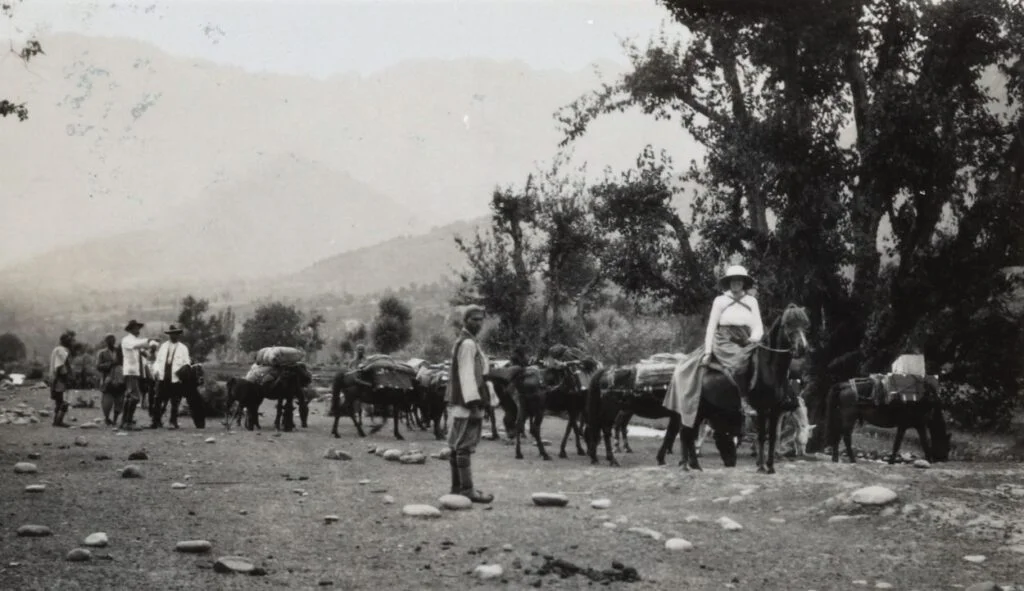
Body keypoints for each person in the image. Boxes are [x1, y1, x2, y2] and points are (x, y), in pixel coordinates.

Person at [664, 265, 764, 429]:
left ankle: (762, 401)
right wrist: (708, 351)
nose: (736, 283)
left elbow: (758, 325)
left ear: (743, 283)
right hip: (724, 339)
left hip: (747, 339)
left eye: (739, 280)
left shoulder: (752, 301)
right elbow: (711, 326)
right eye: (733, 281)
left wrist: (754, 339)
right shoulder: (720, 300)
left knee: (763, 363)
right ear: (729, 283)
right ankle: (744, 401)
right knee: (739, 363)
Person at [445, 305, 495, 504]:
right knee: (464, 446)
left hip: (462, 401)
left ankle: (457, 487)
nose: (478, 323)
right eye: (474, 319)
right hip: (468, 402)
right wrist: (474, 402)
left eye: (481, 319)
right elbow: (467, 374)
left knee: (456, 446)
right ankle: (467, 490)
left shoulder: (467, 342)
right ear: (465, 321)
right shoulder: (467, 344)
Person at [151, 324, 192, 429]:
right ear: (169, 335)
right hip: (163, 376)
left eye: (175, 334)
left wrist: (183, 372)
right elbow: (158, 361)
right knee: (158, 399)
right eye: (171, 334)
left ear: (178, 335)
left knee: (175, 401)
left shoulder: (183, 348)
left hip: (175, 378)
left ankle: (173, 422)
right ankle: (156, 421)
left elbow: (187, 363)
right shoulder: (163, 346)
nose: (173, 336)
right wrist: (155, 371)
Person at [120, 319, 151, 430]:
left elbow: (143, 350)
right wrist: (148, 340)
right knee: (135, 396)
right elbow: (136, 345)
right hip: (131, 371)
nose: (138, 330)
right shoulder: (127, 340)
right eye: (136, 328)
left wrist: (149, 347)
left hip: (134, 371)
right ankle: (127, 422)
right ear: (131, 329)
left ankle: (124, 421)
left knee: (129, 396)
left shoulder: (135, 341)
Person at [48, 330, 76, 428]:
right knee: (64, 400)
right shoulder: (62, 350)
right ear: (65, 341)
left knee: (58, 400)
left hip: (56, 378)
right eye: (70, 341)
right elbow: (60, 366)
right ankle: (58, 421)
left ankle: (56, 420)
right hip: (61, 379)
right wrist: (66, 379)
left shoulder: (57, 349)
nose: (71, 342)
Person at [96, 335, 124, 426]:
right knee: (107, 401)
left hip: (119, 378)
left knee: (119, 399)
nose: (111, 341)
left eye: (113, 340)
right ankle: (107, 418)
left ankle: (115, 419)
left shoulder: (120, 352)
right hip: (107, 379)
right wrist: (111, 364)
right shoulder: (102, 353)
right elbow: (98, 366)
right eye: (109, 340)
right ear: (106, 341)